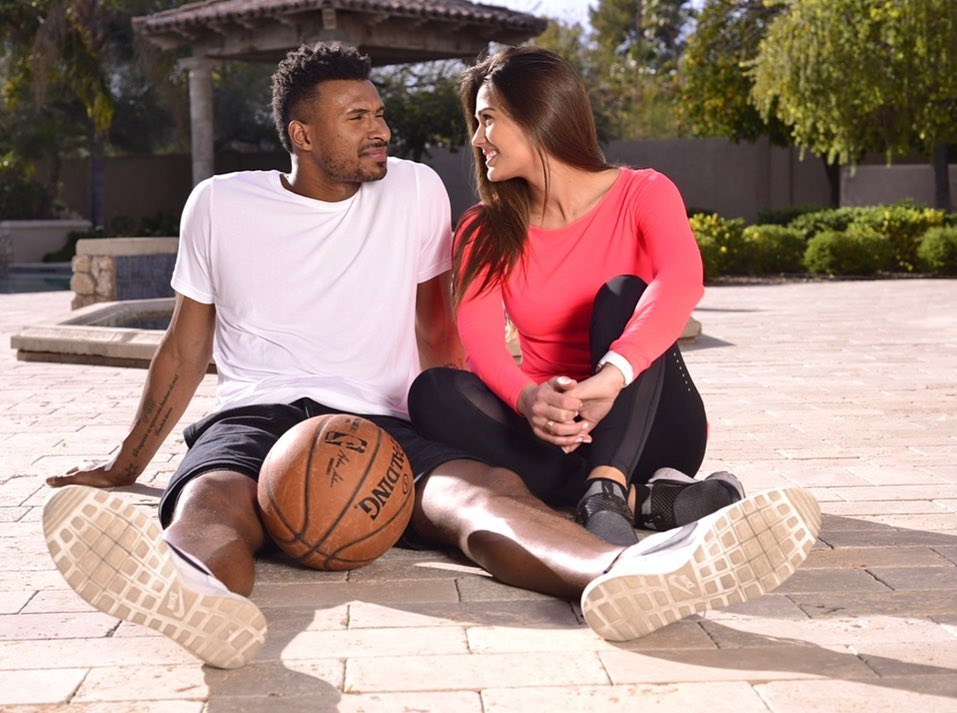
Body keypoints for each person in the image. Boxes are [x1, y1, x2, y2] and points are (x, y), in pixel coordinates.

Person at [42, 42, 820, 670]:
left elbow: (441, 332)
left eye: (380, 113)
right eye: (357, 118)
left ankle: (620, 572)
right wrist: (124, 463)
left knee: (484, 499)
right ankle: (198, 595)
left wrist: (472, 424)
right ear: (303, 135)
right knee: (212, 498)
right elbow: (184, 346)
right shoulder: (218, 203)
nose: (381, 129)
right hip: (257, 408)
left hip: (385, 416)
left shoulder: (414, 190)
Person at [409, 45, 740, 548]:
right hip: (554, 432)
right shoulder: (484, 227)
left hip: (652, 424)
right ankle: (638, 501)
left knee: (624, 293)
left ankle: (609, 483)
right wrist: (530, 401)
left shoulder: (643, 193)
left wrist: (610, 379)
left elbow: (682, 277)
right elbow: (479, 341)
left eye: (488, 120)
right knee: (432, 393)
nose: (478, 140)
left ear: (538, 115)